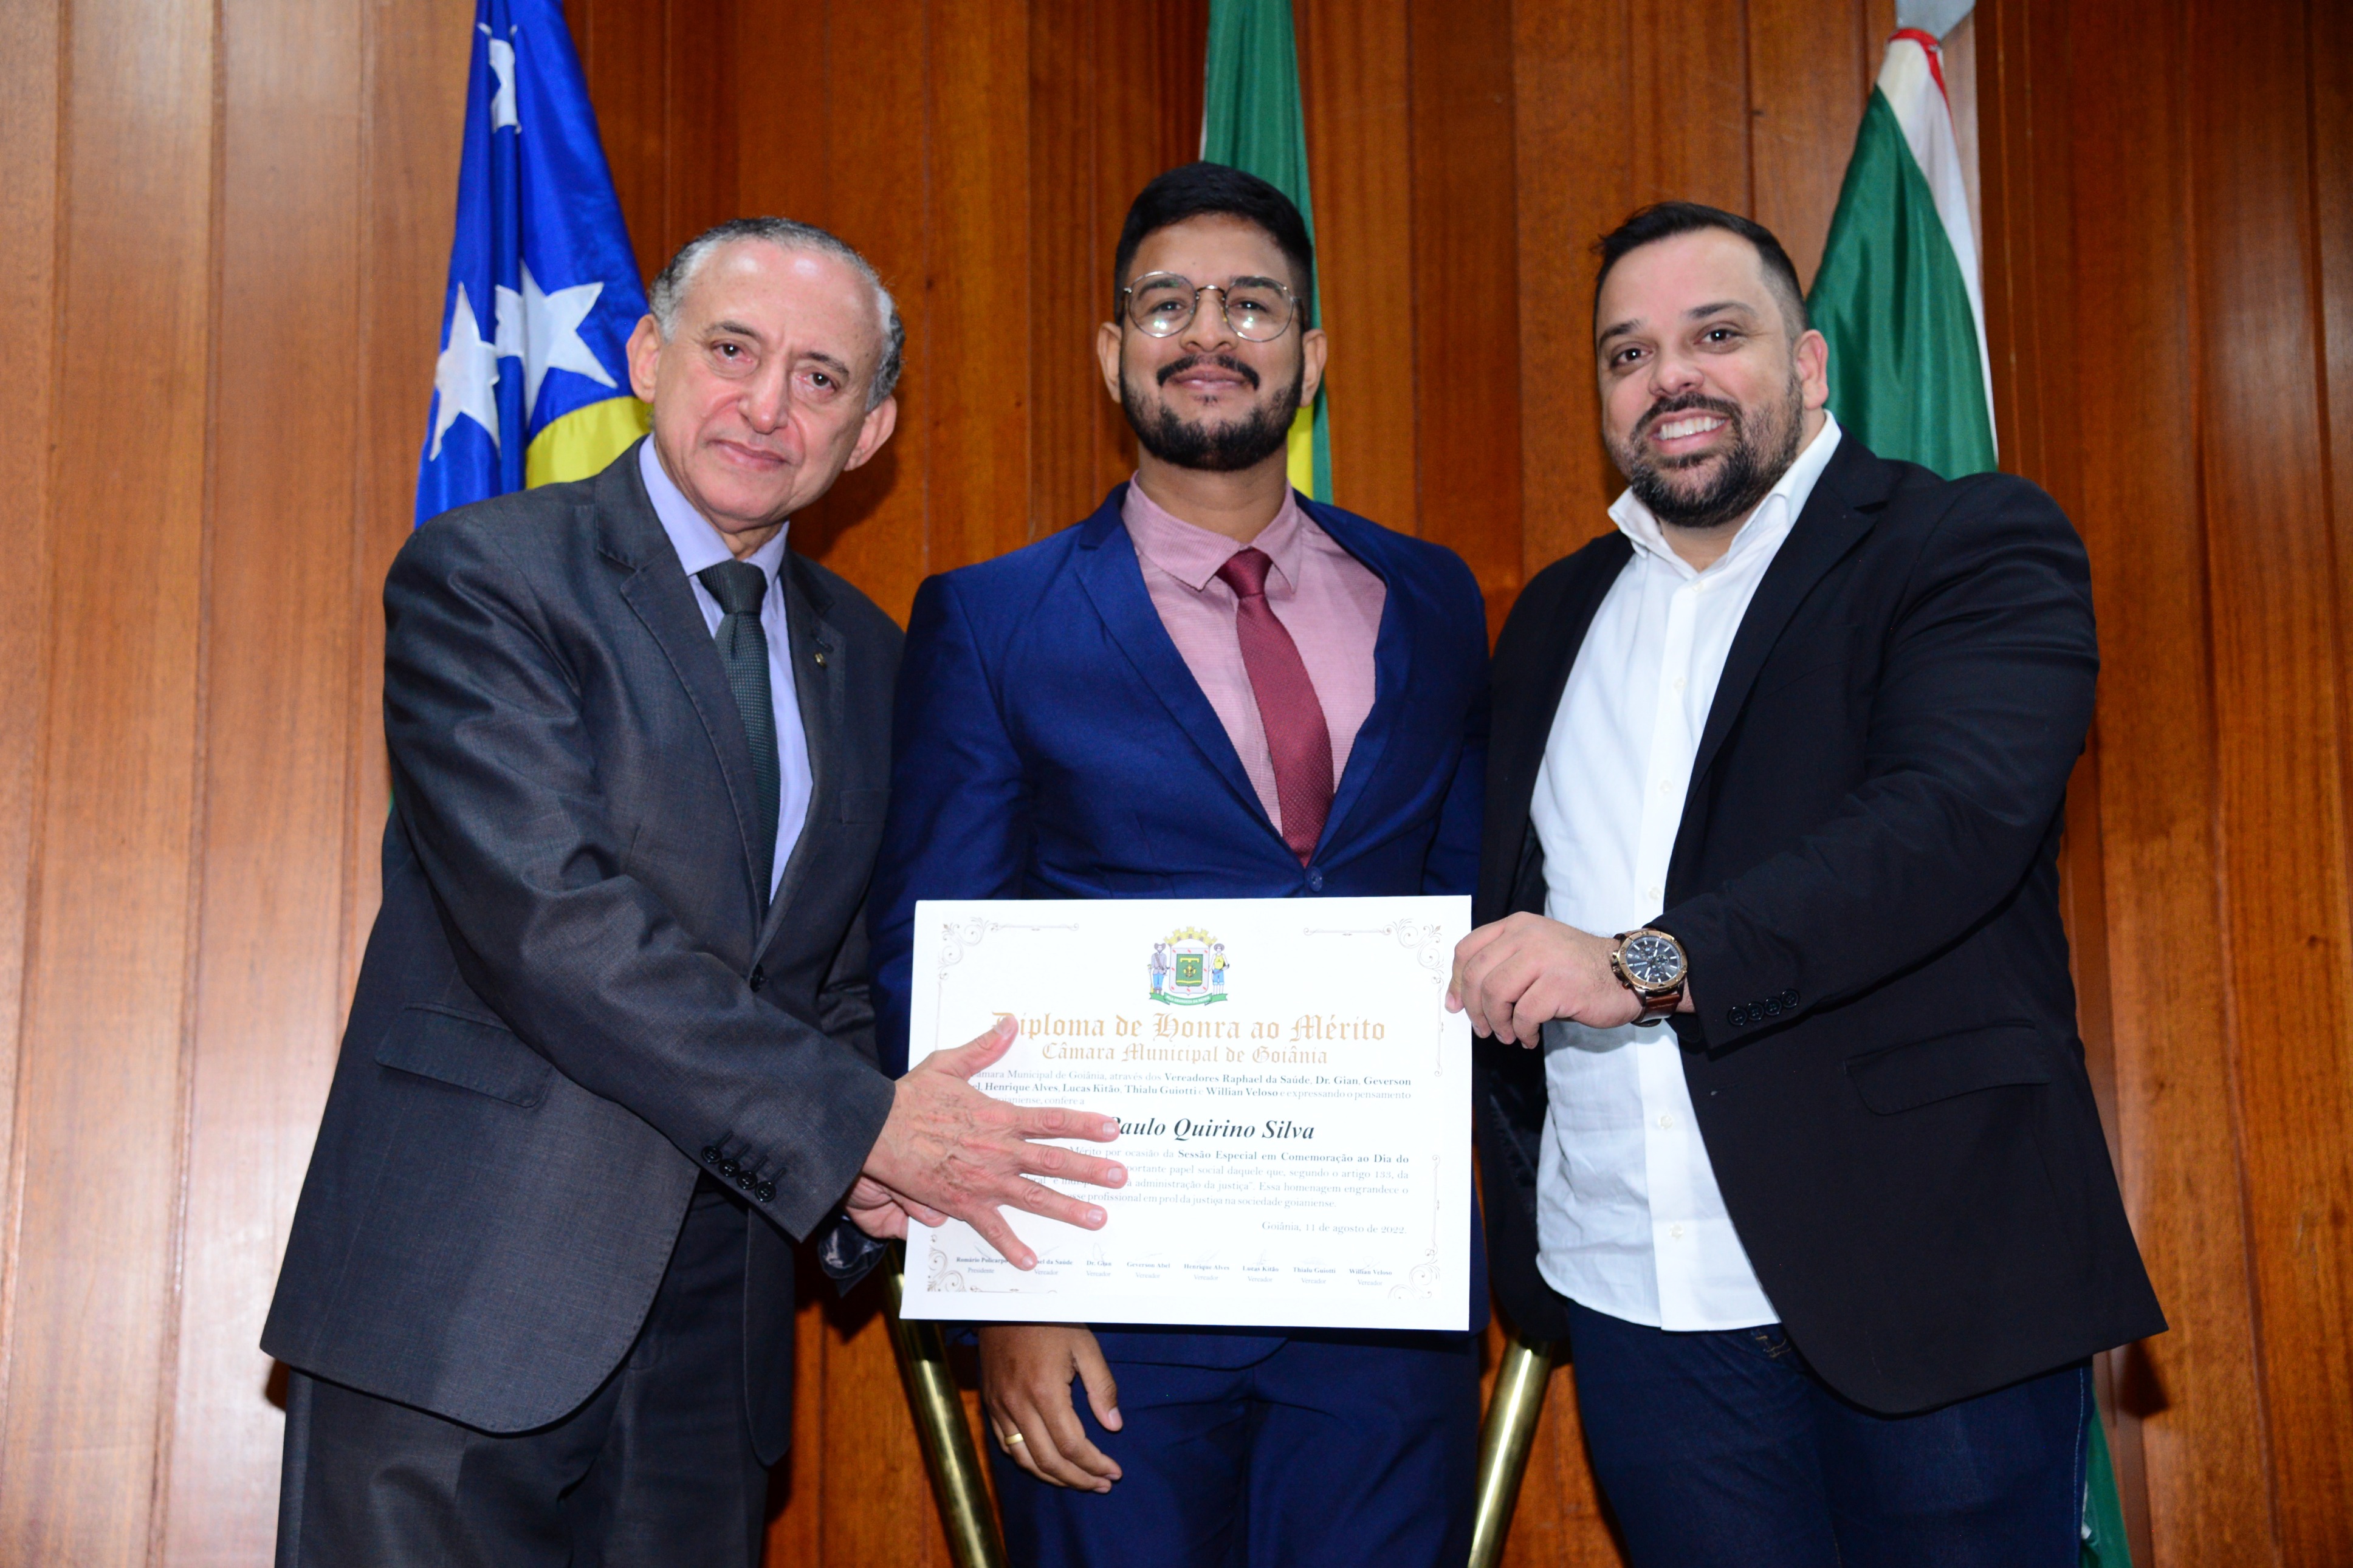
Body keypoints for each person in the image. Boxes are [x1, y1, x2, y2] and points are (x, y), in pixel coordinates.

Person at [263, 217, 1125, 1568]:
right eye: (733, 350)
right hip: (460, 1307)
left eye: (820, 378)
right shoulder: (487, 573)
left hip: (715, 1356)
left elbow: (829, 976)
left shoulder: (875, 658)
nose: (769, 405)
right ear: (649, 358)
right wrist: (861, 1125)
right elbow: (551, 923)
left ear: (871, 431)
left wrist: (880, 1167)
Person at [1450, 201, 2165, 1567]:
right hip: (1638, 1304)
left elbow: (1943, 827)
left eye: (1716, 334)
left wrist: (1639, 963)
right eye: (1628, 353)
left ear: (1811, 362)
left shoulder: (1964, 543)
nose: (1671, 377)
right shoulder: (1551, 617)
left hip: (1924, 1282)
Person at [870, 163, 1489, 1568]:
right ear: (1113, 351)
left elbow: (1467, 916)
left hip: (1380, 1303)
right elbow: (929, 965)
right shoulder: (990, 619)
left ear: (1309, 356)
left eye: (1251, 305)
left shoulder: (1433, 598)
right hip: (1103, 1300)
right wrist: (1003, 1291)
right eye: (1167, 305)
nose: (1208, 333)